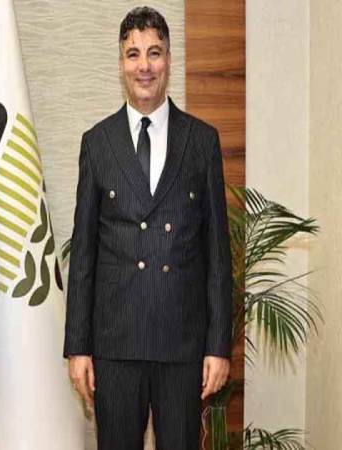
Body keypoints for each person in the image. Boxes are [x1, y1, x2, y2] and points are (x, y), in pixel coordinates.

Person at [64, 7, 232, 449]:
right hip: (116, 344)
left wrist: (218, 346)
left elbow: (218, 254)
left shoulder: (202, 141)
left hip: (182, 345)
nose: (144, 66)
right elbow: (84, 253)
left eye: (154, 53)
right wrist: (77, 346)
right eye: (133, 54)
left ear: (169, 60)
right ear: (121, 62)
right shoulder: (97, 143)